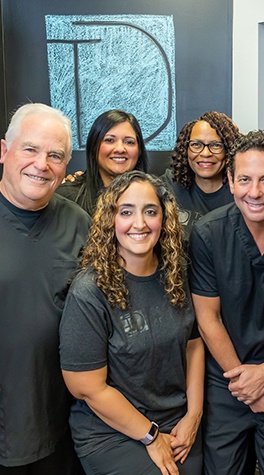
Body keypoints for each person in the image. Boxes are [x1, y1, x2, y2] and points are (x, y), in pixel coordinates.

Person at [59, 171, 203, 475]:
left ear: (164, 219)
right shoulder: (90, 291)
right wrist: (149, 435)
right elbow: (86, 387)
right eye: (126, 212)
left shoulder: (175, 275)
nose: (139, 223)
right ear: (110, 220)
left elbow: (193, 345)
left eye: (150, 211)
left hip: (175, 422)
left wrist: (194, 414)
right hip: (112, 431)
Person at [189, 130, 264, 475]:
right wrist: (245, 386)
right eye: (244, 180)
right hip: (227, 381)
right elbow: (208, 319)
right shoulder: (209, 233)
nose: (254, 192)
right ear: (230, 181)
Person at [0, 103, 90, 473]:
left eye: (55, 155)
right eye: (31, 149)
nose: (42, 164)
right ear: (4, 151)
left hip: (58, 426)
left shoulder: (79, 225)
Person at [162, 111, 241, 238]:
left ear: (229, 150)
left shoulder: (242, 192)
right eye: (196, 145)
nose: (205, 153)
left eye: (216, 145)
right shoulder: (169, 185)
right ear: (185, 150)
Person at [56, 109, 148, 216]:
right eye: (109, 140)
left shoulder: (154, 197)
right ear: (94, 147)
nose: (120, 149)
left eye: (129, 142)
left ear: (139, 150)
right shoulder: (67, 199)